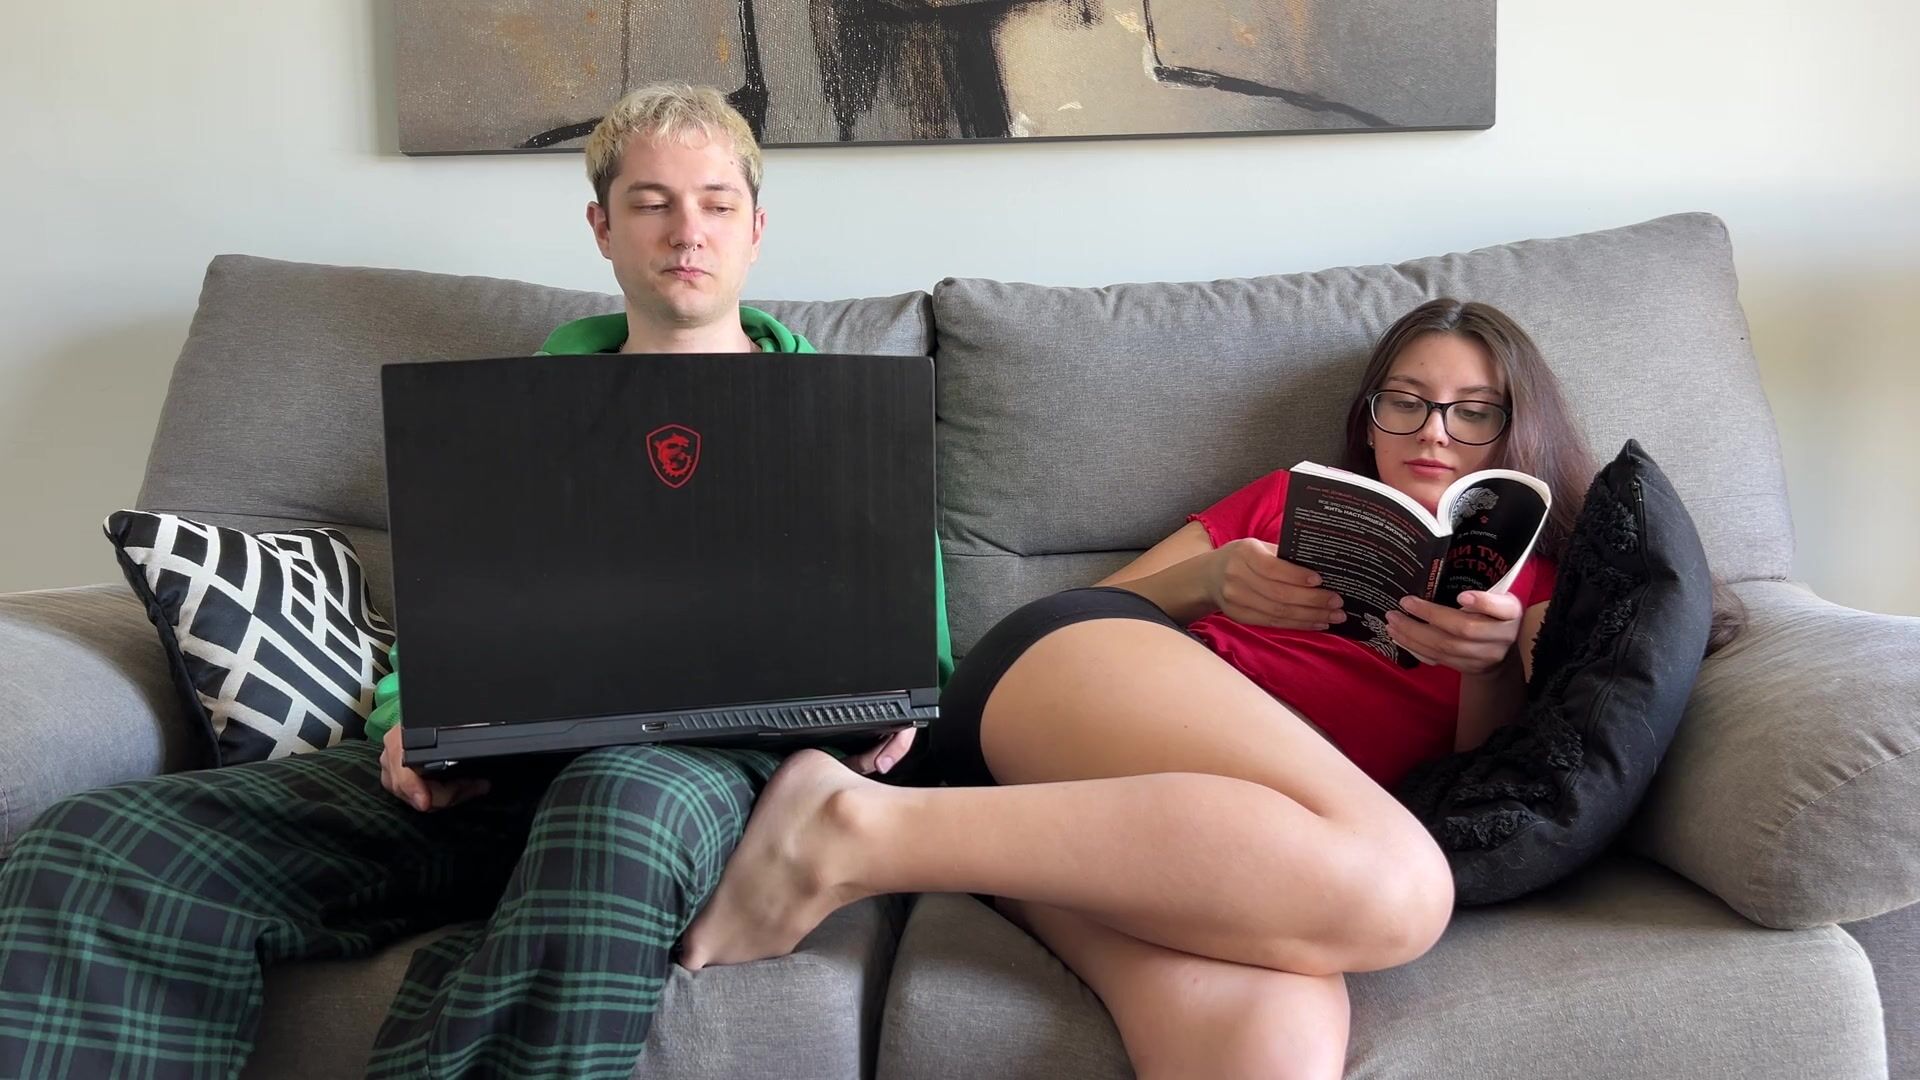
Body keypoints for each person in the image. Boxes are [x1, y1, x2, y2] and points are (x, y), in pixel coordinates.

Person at [0, 84, 950, 1080]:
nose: (687, 231)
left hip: (694, 782)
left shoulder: (846, 419)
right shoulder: (507, 417)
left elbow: (916, 655)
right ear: (602, 227)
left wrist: (891, 712)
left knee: (615, 805)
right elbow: (451, 626)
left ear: (755, 229)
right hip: (501, 775)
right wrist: (411, 723)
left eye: (716, 204)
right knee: (99, 845)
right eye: (652, 203)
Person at [676, 298, 1596, 1079]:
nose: (1434, 431)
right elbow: (1091, 612)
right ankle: (847, 829)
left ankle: (903, 831)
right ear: (1369, 416)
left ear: (1520, 427)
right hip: (1065, 687)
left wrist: (1486, 666)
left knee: (1270, 1050)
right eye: (1407, 402)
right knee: (1403, 893)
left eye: (1473, 412)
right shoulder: (1292, 497)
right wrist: (1212, 580)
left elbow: (1483, 789)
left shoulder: (1545, 592)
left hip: (1140, 836)